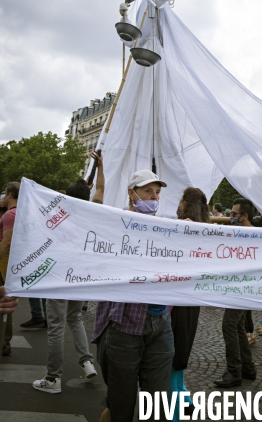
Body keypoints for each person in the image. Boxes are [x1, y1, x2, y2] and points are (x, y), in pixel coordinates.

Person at [93, 166, 174, 422]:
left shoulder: (167, 227)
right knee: (121, 404)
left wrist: (189, 235)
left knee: (158, 403)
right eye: (148, 191)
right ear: (132, 193)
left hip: (161, 323)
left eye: (157, 193)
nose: (154, 198)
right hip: (124, 324)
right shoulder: (116, 223)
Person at [33, 178, 97, 394]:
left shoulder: (59, 217)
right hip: (79, 276)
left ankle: (53, 378)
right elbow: (101, 192)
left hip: (59, 277)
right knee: (75, 318)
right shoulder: (93, 215)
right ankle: (87, 362)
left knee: (56, 327)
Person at [170, 187, 209, 420]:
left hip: (177, 304)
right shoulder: (205, 230)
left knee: (173, 359)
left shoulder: (184, 229)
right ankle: (184, 399)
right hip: (190, 302)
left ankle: (178, 410)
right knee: (178, 357)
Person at [214, 198, 257, 388]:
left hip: (242, 288)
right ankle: (247, 367)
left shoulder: (248, 235)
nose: (230, 217)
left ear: (244, 216)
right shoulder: (245, 233)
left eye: (234, 214)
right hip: (242, 287)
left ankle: (234, 371)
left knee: (229, 325)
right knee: (238, 326)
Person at [0, 182, 20, 356]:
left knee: (3, 302)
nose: (3, 197)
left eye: (4, 193)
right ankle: (4, 341)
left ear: (10, 195)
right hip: (8, 265)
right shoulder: (16, 213)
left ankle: (4, 342)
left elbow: (6, 242)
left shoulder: (10, 215)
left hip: (3, 265)